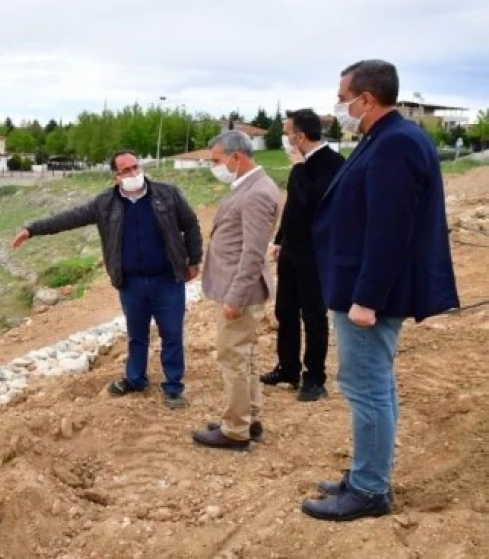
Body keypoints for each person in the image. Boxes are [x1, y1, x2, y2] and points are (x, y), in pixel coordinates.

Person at [302, 60, 459, 521]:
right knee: (374, 384)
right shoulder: (385, 138)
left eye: (343, 96)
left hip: (369, 293)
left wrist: (367, 297)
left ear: (366, 99)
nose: (339, 106)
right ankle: (367, 473)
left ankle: (370, 489)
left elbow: (390, 230)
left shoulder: (396, 145)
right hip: (362, 286)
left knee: (366, 387)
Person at [11, 151, 202, 409]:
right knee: (136, 335)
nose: (134, 173)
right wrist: (32, 229)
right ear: (116, 177)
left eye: (136, 167)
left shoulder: (167, 195)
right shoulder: (105, 204)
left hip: (167, 279)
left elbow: (190, 225)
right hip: (131, 282)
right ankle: (135, 379)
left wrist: (194, 260)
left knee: (171, 333)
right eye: (127, 170)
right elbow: (69, 218)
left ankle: (173, 386)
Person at [191, 130, 281, 450]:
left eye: (216, 160)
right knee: (246, 357)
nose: (213, 166)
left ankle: (235, 430)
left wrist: (235, 297)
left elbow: (253, 253)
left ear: (237, 157)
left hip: (240, 291)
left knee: (233, 358)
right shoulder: (249, 185)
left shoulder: (256, 193)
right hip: (237, 287)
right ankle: (248, 417)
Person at [261, 109, 345, 401]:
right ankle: (288, 367)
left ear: (300, 136)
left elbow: (312, 201)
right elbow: (294, 205)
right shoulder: (302, 163)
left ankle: (315, 378)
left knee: (313, 316)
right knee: (285, 311)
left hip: (316, 254)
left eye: (286, 133)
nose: (284, 138)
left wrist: (298, 168)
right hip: (292, 251)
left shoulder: (332, 164)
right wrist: (280, 239)